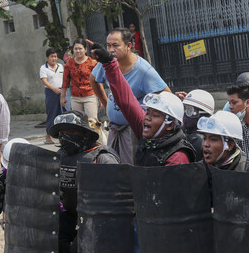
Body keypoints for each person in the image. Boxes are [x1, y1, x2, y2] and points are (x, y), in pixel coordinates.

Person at [92, 44, 195, 166]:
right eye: (148, 112)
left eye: (155, 115)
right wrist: (109, 63)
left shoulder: (177, 158)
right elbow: (126, 100)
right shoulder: (149, 133)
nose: (147, 117)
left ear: (170, 124)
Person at [49, 110, 120, 253]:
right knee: (50, 231)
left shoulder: (103, 158)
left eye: (71, 132)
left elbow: (117, 201)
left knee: (79, 244)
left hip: (99, 218)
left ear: (84, 133)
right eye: (62, 134)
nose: (65, 137)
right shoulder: (59, 157)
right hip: (71, 212)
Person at [90, 28, 170, 164]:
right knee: (112, 166)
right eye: (108, 45)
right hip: (114, 128)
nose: (110, 50)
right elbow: (93, 79)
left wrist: (150, 116)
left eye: (115, 45)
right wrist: (105, 101)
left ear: (128, 46)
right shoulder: (106, 63)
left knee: (130, 168)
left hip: (132, 131)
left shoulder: (144, 70)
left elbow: (167, 96)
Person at [61, 38, 99, 119]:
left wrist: (101, 98)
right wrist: (63, 97)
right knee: (78, 124)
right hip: (75, 98)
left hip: (90, 96)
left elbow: (98, 81)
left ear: (85, 49)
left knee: (92, 122)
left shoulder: (92, 62)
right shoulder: (69, 63)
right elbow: (65, 81)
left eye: (80, 48)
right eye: (76, 49)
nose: (78, 51)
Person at [179, 89, 215, 162]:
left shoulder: (199, 141)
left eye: (190, 110)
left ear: (203, 115)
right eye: (185, 109)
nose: (185, 115)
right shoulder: (185, 132)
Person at [39, 47, 64, 144]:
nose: (54, 58)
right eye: (52, 56)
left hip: (62, 92)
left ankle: (62, 135)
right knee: (52, 113)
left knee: (63, 113)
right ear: (47, 58)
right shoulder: (43, 68)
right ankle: (48, 136)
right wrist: (54, 89)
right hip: (51, 92)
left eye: (55, 56)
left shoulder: (61, 66)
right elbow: (44, 81)